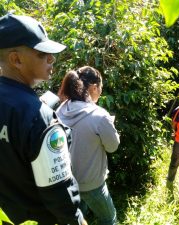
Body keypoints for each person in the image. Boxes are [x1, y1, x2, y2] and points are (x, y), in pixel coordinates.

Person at [0, 14, 86, 224]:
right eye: (42, 53)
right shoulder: (40, 118)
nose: (51, 59)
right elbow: (61, 197)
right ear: (16, 59)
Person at [56, 66, 120, 225]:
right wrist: (110, 128)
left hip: (68, 183)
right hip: (93, 185)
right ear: (93, 87)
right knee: (109, 219)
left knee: (79, 217)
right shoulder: (99, 116)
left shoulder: (61, 109)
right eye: (101, 88)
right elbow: (113, 146)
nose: (101, 92)